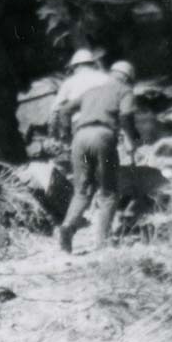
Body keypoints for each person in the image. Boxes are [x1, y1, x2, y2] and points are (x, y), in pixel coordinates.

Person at [54, 59, 139, 253]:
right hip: (103, 139)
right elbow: (126, 116)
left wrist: (66, 136)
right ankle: (102, 243)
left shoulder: (92, 91)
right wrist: (131, 139)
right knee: (109, 193)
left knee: (82, 190)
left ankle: (68, 226)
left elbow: (64, 110)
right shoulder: (125, 91)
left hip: (80, 140)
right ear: (128, 78)